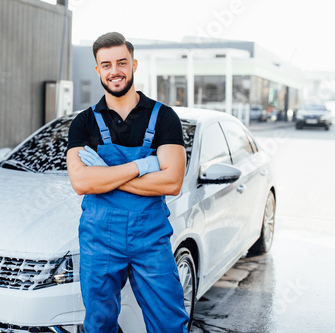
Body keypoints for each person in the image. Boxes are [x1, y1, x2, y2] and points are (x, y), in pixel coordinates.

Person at [66, 32, 190, 333]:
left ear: (133, 64)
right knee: (99, 323)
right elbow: (82, 182)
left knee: (169, 322)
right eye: (106, 64)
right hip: (99, 239)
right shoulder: (83, 123)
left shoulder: (165, 118)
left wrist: (106, 176)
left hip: (150, 238)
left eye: (121, 62)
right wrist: (143, 166)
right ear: (98, 70)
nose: (115, 71)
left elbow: (172, 181)